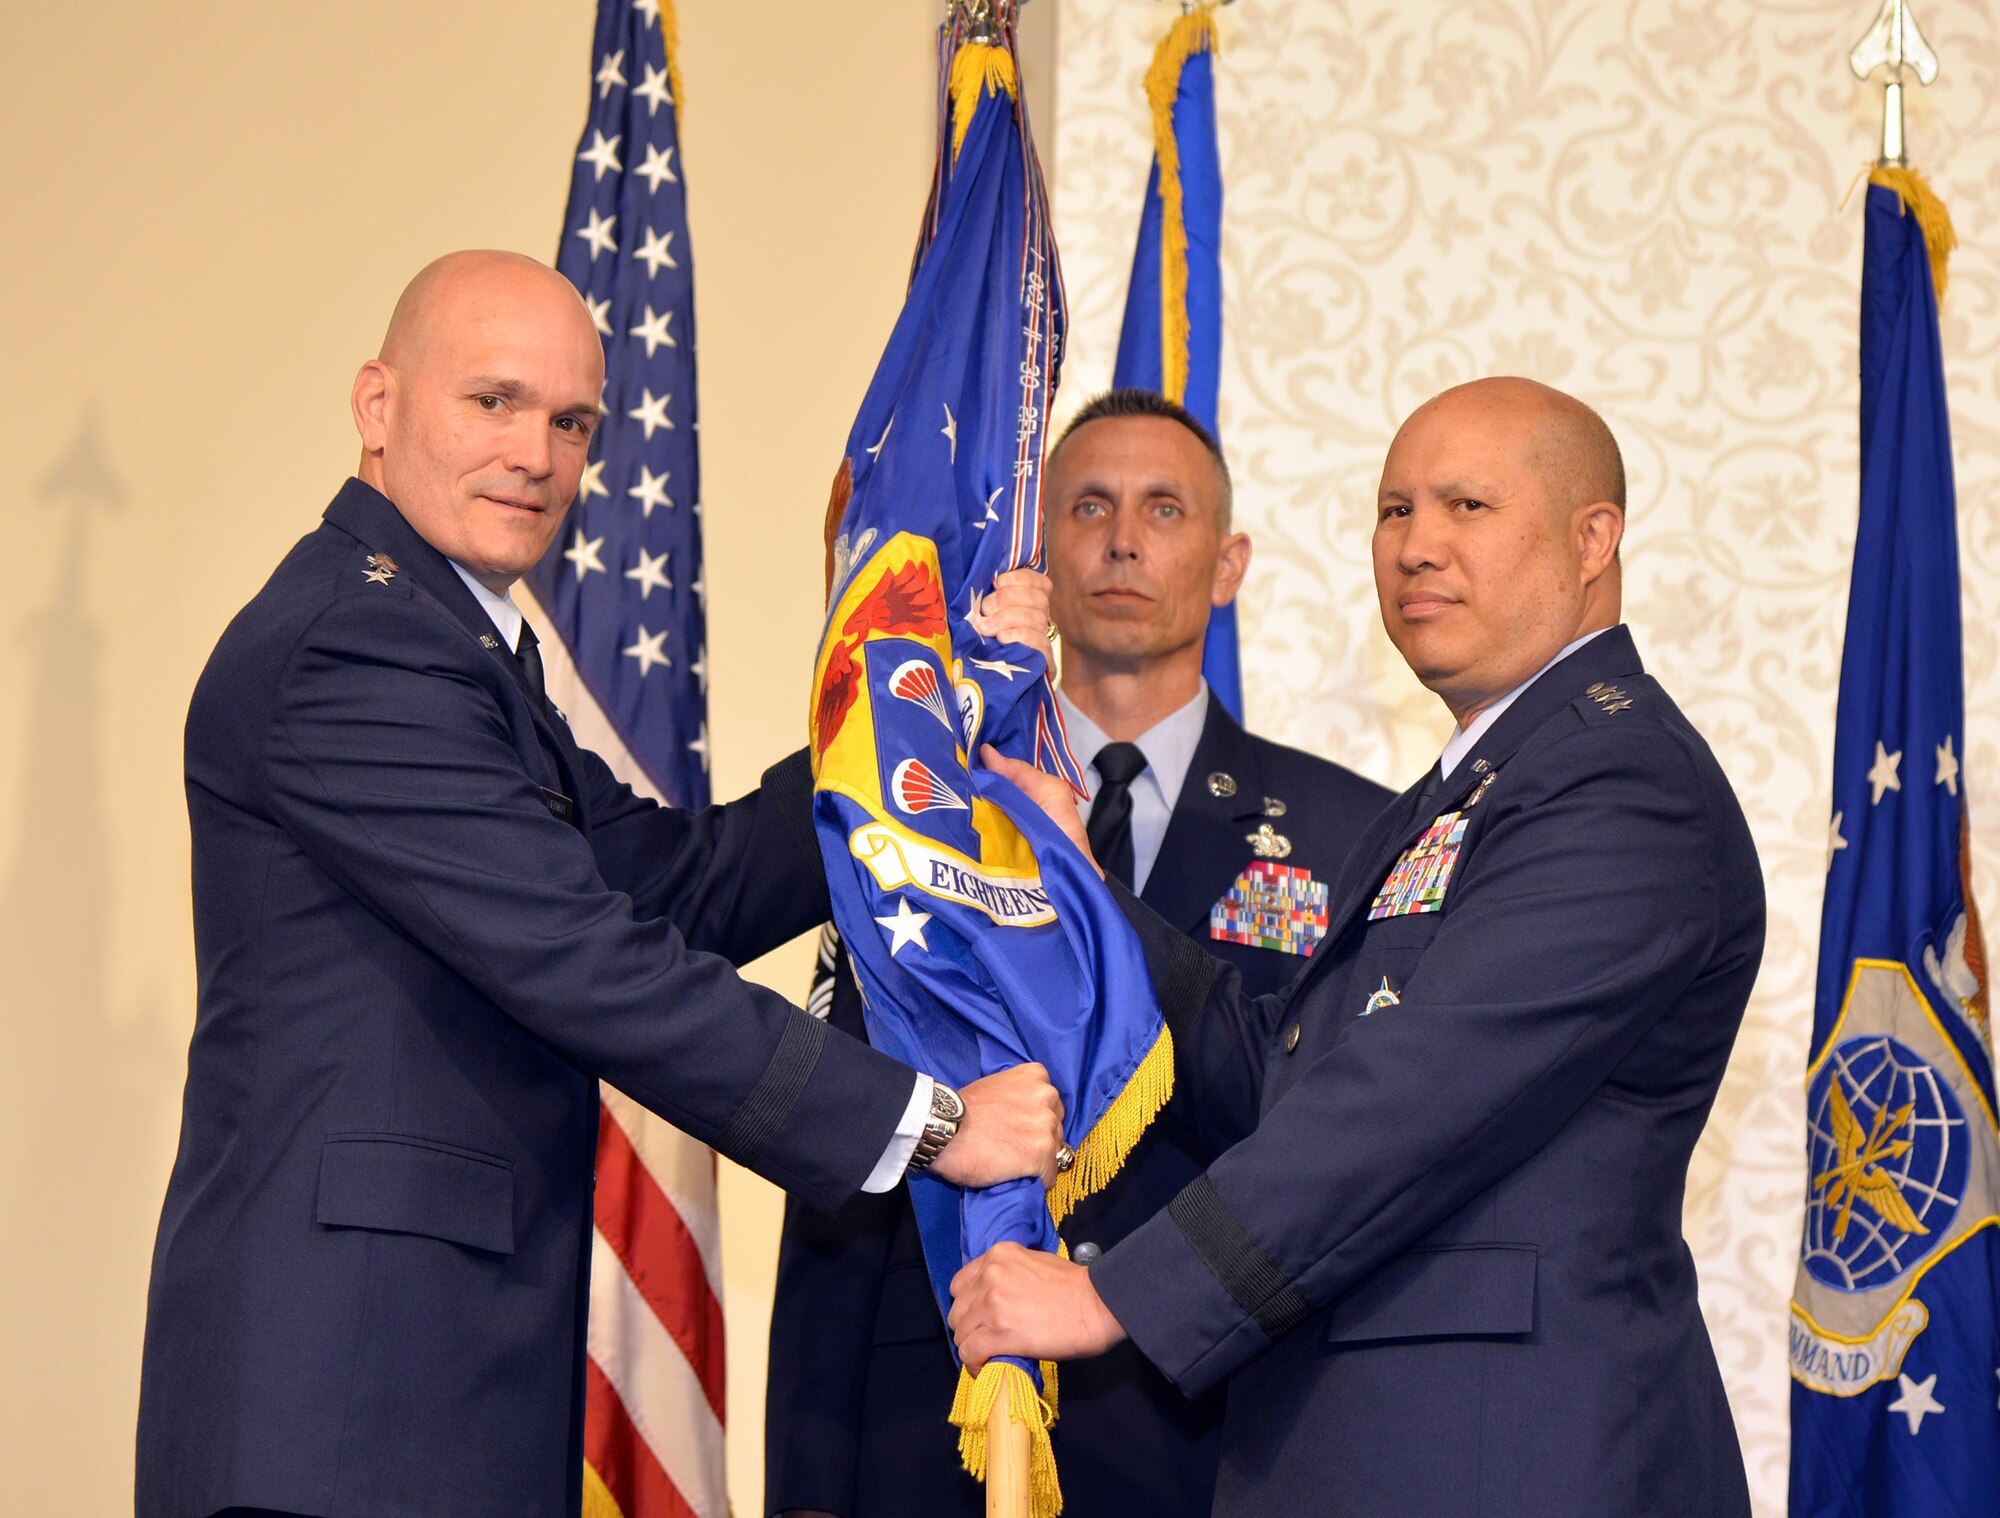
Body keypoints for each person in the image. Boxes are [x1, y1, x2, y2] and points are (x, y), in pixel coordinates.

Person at [135, 250, 1067, 1518]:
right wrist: (929, 1124)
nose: (537, 453)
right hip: (342, 1403)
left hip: (419, 1383)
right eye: (493, 403)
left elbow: (680, 887)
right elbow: (593, 964)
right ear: (377, 407)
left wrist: (928, 715)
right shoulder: (357, 647)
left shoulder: (446, 638)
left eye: (571, 422)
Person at [956, 377, 1764, 1517]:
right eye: (1394, 511)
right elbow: (1287, 1083)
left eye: (1466, 507)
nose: (1417, 546)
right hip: (1376, 1444)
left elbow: (1415, 1095)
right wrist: (1089, 890)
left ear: (1594, 539)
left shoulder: (1620, 783)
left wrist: (1114, 1299)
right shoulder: (1459, 794)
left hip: (1509, 1458)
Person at [764, 389, 1392, 1518]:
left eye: (1165, 509)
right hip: (939, 1424)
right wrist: (808, 1478)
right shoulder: (914, 805)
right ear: (1039, 548)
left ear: (1228, 560)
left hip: (1217, 1434)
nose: (1121, 539)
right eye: (1088, 506)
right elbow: (847, 1149)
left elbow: (1340, 1149)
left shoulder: (1350, 833)